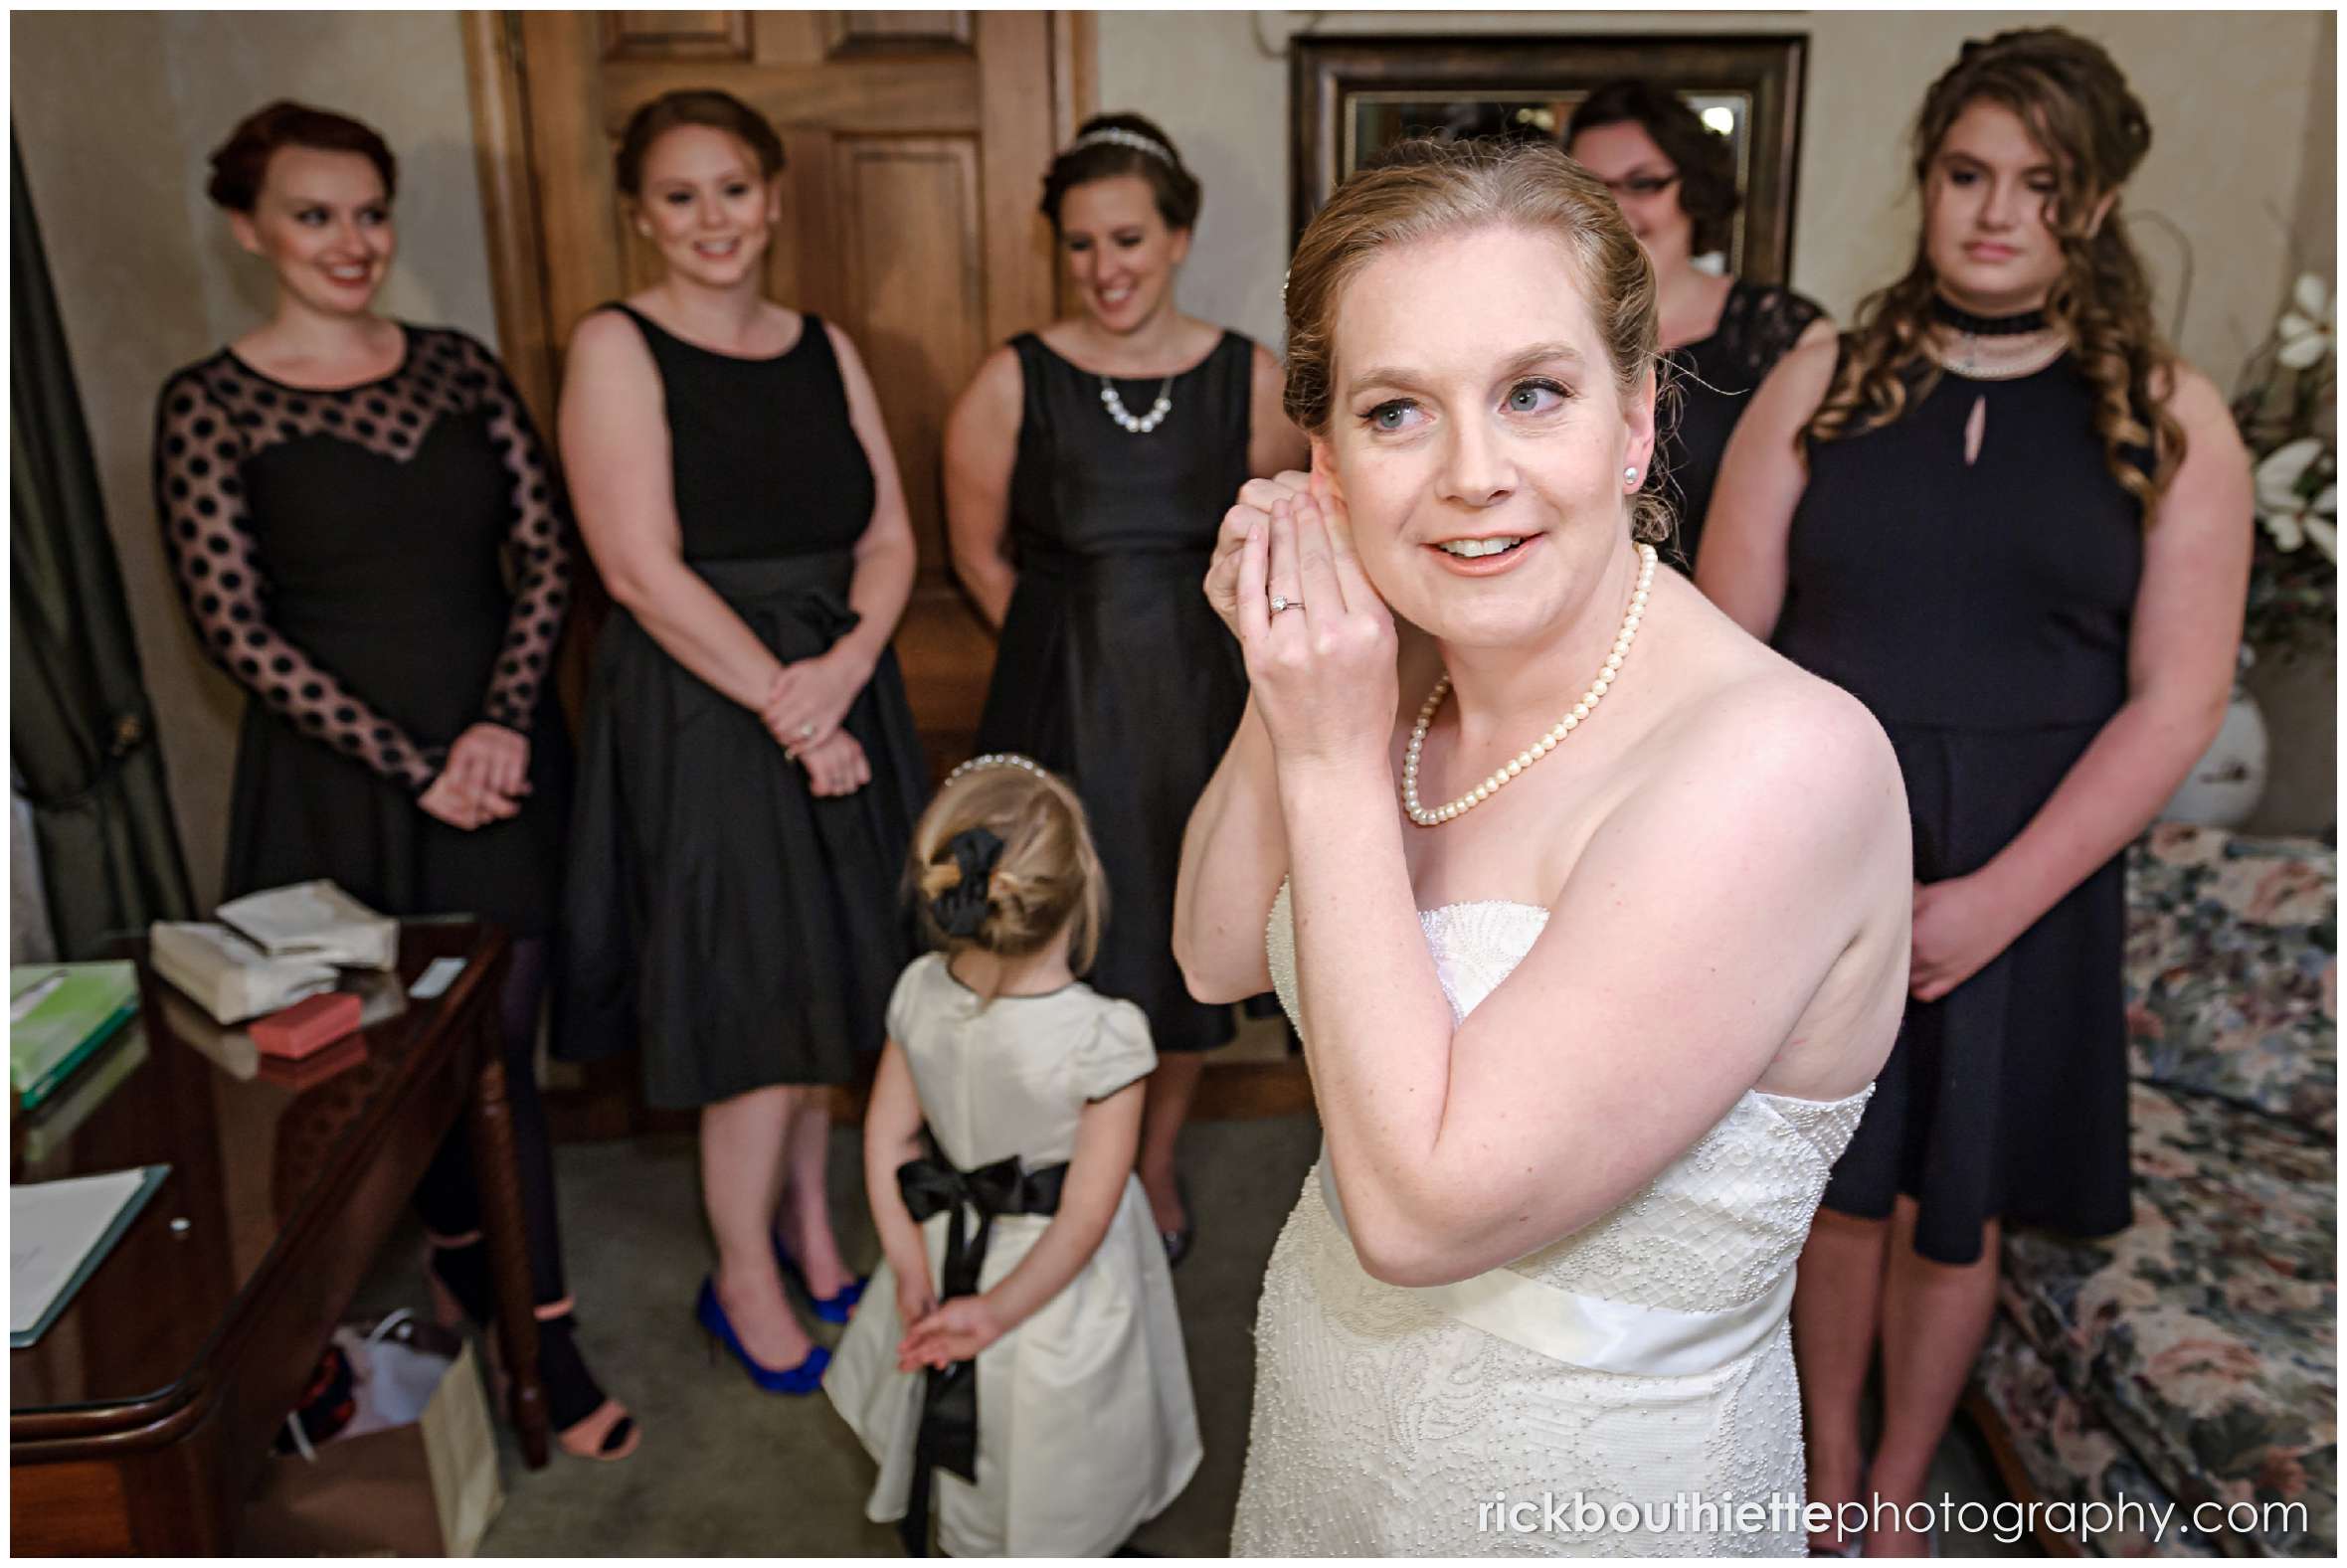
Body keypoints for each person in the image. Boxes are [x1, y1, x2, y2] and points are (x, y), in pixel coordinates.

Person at [1173, 135, 1913, 1556]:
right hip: (1328, 1431)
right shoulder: (1397, 681)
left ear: (1635, 419)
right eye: (1398, 413)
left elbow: (1420, 1212)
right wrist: (1297, 669)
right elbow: (1211, 954)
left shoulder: (1780, 767)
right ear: (1326, 464)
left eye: (1532, 394)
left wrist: (1327, 755)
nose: (1471, 475)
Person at [1697, 29, 2252, 1556]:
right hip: (1825, 859)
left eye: (2042, 184)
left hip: (2036, 872)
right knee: (1837, 1185)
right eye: (1966, 174)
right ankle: (1826, 1462)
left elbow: (2180, 700)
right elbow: (1721, 650)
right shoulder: (1819, 377)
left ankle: (1896, 1493)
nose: (1997, 212)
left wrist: (1997, 900)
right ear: (1925, 180)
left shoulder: (2169, 414)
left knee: (1960, 1195)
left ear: (2098, 200)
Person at [153, 100, 632, 1460]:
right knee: (379, 1070)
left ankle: (548, 1336)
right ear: (250, 228)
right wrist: (418, 764)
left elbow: (544, 562)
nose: (352, 241)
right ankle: (464, 1262)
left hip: (502, 755)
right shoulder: (208, 404)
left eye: (370, 211)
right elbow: (232, 628)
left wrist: (493, 731)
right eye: (316, 215)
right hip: (338, 784)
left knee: (501, 1060)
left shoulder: (462, 370)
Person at [556, 88, 927, 1392]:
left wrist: (844, 669)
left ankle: (813, 1220)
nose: (711, 218)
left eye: (732, 188)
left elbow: (889, 536)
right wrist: (789, 703)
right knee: (754, 1001)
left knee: (841, 976)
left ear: (771, 197)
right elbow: (638, 569)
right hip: (710, 703)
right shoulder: (617, 344)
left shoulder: (824, 342)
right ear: (639, 215)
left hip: (837, 678)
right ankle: (743, 1278)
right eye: (678, 194)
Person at [944, 112, 1310, 1266]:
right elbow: (977, 555)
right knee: (1053, 937)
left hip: (1194, 712)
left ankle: (1149, 1163)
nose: (1106, 268)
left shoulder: (1246, 377)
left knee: (1178, 942)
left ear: (1178, 236)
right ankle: (1047, 1155)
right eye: (1082, 244)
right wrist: (1074, 653)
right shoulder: (1015, 378)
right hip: (1054, 704)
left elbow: (1285, 538)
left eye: (1128, 239)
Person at [824, 752, 1201, 1556]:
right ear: (1079, 890)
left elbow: (887, 1138)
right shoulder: (1105, 1038)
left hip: (938, 1240)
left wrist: (913, 1268)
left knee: (969, 1424)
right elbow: (1087, 1215)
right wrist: (994, 1313)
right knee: (1054, 1434)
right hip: (1053, 1278)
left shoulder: (920, 989)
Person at [1565, 81, 1832, 569]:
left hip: (1720, 626)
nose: (1615, 209)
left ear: (1695, 187)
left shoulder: (1785, 337)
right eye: (1591, 189)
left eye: (1643, 183)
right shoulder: (1539, 330)